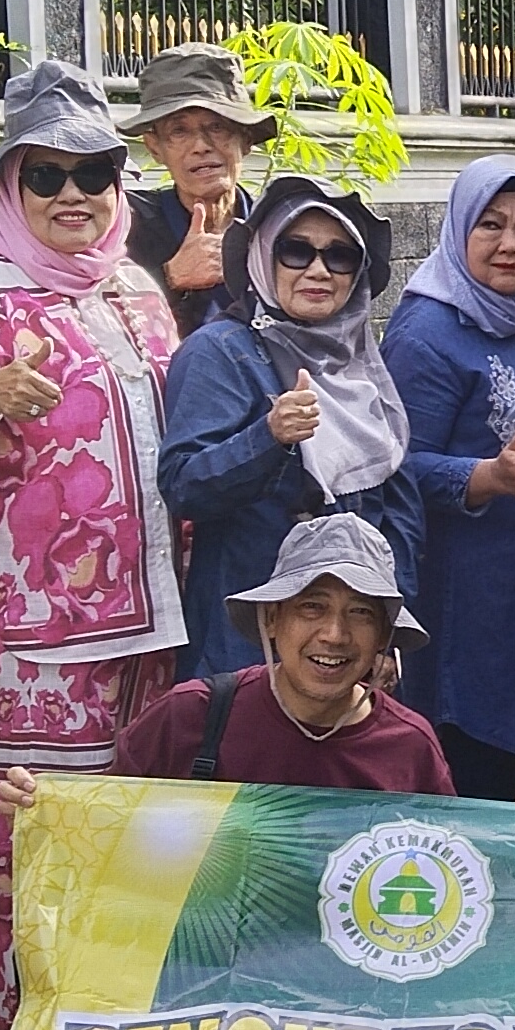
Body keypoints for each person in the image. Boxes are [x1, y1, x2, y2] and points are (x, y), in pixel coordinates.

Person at [0, 62, 187, 1030]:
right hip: (39, 633)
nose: (73, 195)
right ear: (11, 187)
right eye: (47, 176)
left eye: (93, 173)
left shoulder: (138, 289)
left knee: (133, 830)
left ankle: (112, 1029)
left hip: (154, 618)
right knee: (33, 832)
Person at [160, 176, 420, 684]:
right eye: (296, 251)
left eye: (340, 256)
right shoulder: (220, 352)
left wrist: (390, 629)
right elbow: (184, 486)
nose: (319, 270)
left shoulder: (361, 364)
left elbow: (399, 511)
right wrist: (269, 436)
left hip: (346, 648)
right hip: (247, 644)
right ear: (261, 256)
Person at [379, 157, 515, 796]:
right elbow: (393, 464)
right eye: (491, 224)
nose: (512, 244)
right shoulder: (428, 331)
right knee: (470, 767)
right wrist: (486, 477)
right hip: (465, 600)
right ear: (459, 228)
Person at [110, 515, 455, 794]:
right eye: (311, 608)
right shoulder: (190, 717)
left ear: (383, 635)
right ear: (273, 619)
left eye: (360, 612)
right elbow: (101, 835)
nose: (334, 635)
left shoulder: (410, 747)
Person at [121, 42, 269, 336]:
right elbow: (96, 332)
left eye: (217, 127)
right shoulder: (125, 227)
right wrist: (170, 278)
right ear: (155, 148)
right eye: (179, 131)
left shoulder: (277, 228)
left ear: (246, 138)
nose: (201, 146)